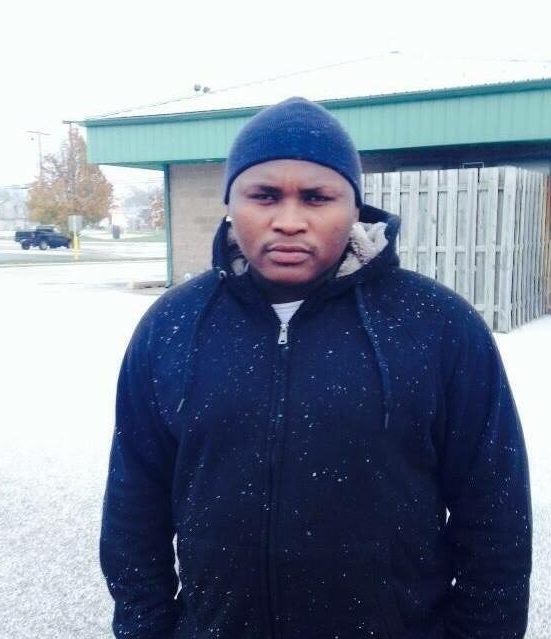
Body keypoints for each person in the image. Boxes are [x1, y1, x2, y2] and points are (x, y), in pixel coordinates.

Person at [100, 97, 532, 639]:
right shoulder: (173, 324)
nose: (288, 221)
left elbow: (494, 513)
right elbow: (134, 502)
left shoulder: (438, 324)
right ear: (230, 202)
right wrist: (144, 628)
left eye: (316, 197)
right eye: (264, 195)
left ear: (354, 207)